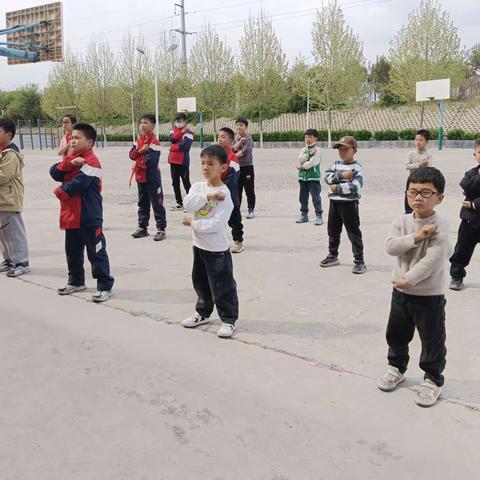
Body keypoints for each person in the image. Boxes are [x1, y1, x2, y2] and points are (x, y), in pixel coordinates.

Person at [379, 167, 450, 408]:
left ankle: (432, 379)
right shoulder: (402, 221)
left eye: (426, 192)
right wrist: (417, 237)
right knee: (396, 334)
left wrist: (409, 279)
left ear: (439, 198)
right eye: (413, 191)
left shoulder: (440, 224)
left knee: (432, 340)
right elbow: (390, 247)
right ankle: (396, 367)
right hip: (400, 293)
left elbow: (435, 260)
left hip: (428, 296)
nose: (418, 197)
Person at [50, 123, 114, 303]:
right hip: (71, 215)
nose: (72, 141)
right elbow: (54, 172)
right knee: (72, 251)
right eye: (71, 137)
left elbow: (78, 184)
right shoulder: (72, 157)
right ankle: (76, 281)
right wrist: (70, 162)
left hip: (88, 215)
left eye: (77, 138)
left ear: (90, 142)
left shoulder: (92, 161)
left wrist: (59, 191)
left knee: (96, 252)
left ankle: (104, 285)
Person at [181, 144, 239, 339]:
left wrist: (192, 223)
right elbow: (188, 204)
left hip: (217, 250)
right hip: (198, 246)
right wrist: (207, 195)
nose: (205, 167)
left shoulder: (226, 194)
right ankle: (203, 312)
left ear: (223, 168)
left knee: (222, 286)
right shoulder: (198, 187)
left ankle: (228, 319)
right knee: (200, 282)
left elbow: (216, 224)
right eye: (203, 163)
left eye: (211, 164)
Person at [321, 136, 366, 274]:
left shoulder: (357, 168)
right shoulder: (336, 165)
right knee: (333, 231)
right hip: (334, 203)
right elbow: (326, 177)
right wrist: (341, 175)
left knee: (353, 233)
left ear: (354, 150)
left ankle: (359, 261)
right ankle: (332, 255)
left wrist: (337, 188)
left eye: (346, 149)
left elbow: (354, 187)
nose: (342, 152)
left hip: (349, 205)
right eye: (340, 149)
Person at [0, 118, 30, 277]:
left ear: (9, 134)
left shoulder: (11, 154)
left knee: (14, 232)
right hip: (2, 200)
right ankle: (10, 260)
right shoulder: (3, 151)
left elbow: (3, 176)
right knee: (4, 234)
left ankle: (22, 262)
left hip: (10, 199)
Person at [129, 114, 167, 241]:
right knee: (142, 203)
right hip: (140, 178)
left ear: (153, 125)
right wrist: (141, 152)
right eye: (141, 123)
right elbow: (132, 155)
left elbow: (151, 162)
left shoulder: (154, 142)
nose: (142, 125)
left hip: (152, 178)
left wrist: (139, 159)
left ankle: (161, 229)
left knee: (157, 203)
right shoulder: (139, 141)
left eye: (145, 122)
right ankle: (142, 227)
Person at [449, 138, 480, 290]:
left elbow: (472, 195)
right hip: (469, 221)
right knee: (462, 250)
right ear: (475, 154)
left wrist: (475, 203)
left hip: (473, 211)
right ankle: (456, 275)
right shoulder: (470, 173)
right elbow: (467, 187)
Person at [217, 127, 244, 254]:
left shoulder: (232, 157)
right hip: (216, 193)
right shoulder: (215, 155)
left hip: (230, 195)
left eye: (223, 137)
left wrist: (222, 190)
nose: (220, 139)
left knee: (234, 220)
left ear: (231, 140)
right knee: (218, 219)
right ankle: (218, 241)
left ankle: (238, 241)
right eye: (219, 137)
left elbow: (233, 178)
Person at [295, 128, 323, 225]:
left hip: (313, 177)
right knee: (302, 197)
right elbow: (300, 159)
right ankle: (304, 214)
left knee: (316, 197)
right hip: (303, 177)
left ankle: (319, 215)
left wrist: (302, 167)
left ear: (315, 138)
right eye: (306, 137)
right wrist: (308, 154)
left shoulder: (318, 150)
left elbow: (313, 163)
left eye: (310, 137)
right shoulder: (303, 150)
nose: (308, 139)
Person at [168, 113, 193, 211]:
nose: (179, 123)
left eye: (181, 120)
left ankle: (191, 204)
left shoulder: (189, 133)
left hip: (183, 162)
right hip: (173, 161)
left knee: (186, 183)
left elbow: (184, 147)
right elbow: (172, 139)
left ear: (186, 121)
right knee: (175, 183)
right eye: (177, 121)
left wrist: (172, 148)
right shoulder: (173, 131)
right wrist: (182, 131)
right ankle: (179, 203)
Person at [404, 129, 433, 213]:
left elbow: (429, 168)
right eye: (416, 140)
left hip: (423, 183)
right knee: (408, 204)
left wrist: (417, 166)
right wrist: (419, 165)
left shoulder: (428, 154)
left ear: (427, 142)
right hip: (411, 182)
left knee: (421, 205)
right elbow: (407, 166)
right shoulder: (411, 153)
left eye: (421, 140)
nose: (418, 142)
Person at [232, 117, 256, 219]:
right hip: (237, 167)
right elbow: (232, 149)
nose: (239, 127)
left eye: (241, 125)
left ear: (246, 127)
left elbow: (245, 151)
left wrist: (232, 156)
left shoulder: (249, 138)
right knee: (237, 190)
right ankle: (237, 209)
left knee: (249, 189)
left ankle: (251, 210)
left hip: (247, 167)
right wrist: (239, 143)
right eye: (237, 125)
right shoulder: (234, 139)